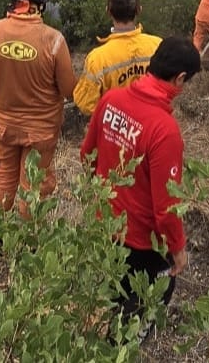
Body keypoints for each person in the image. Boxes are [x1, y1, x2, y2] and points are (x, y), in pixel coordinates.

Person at [81, 36, 200, 322]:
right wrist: (178, 248)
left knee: (111, 296)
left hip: (104, 223)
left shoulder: (111, 99)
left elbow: (87, 155)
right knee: (144, 308)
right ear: (181, 78)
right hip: (142, 242)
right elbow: (166, 206)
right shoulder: (164, 130)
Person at [0, 0, 76, 215]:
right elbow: (70, 91)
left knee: (3, 184)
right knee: (34, 189)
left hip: (5, 128)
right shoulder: (54, 41)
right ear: (40, 1)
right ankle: (30, 248)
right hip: (41, 133)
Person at [74, 0, 162, 118]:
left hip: (115, 133)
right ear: (139, 10)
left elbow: (85, 104)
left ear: (108, 11)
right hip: (154, 128)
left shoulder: (97, 59)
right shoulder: (158, 46)